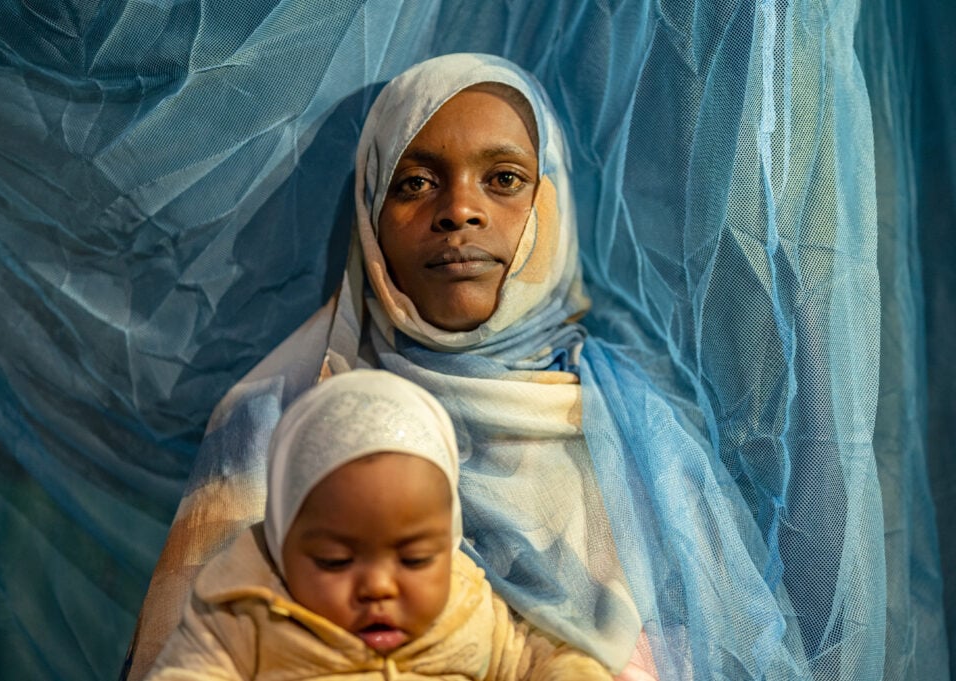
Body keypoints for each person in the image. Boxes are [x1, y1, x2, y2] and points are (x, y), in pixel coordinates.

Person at [126, 53, 818, 681]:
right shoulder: (274, 422)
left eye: (505, 179)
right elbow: (186, 653)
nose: (459, 210)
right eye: (415, 182)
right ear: (370, 214)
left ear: (551, 202)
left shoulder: (631, 428)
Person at [145, 370, 632, 680]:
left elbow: (537, 661)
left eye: (416, 558)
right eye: (335, 561)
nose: (378, 586)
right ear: (280, 541)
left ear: (451, 541)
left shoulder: (469, 611)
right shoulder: (245, 615)